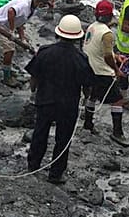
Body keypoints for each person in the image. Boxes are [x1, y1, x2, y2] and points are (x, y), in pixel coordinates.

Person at [25, 15, 91, 186]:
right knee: (63, 139)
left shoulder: (45, 52)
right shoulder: (81, 58)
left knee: (40, 133)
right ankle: (55, 174)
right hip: (68, 105)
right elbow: (87, 84)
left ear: (58, 33)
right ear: (77, 37)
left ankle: (33, 165)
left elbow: (34, 76)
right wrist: (86, 99)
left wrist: (33, 91)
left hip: (45, 100)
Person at [81, 1, 129, 145]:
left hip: (89, 68)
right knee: (118, 101)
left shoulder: (92, 27)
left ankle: (88, 124)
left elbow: (97, 48)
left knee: (92, 96)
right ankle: (117, 133)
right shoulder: (107, 34)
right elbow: (107, 55)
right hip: (102, 72)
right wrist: (117, 69)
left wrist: (116, 56)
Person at [0, 0, 50, 87]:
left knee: (19, 46)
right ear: (40, 3)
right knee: (9, 50)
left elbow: (20, 23)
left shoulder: (33, 9)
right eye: (43, 5)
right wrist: (12, 30)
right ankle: (6, 77)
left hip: (6, 25)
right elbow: (11, 11)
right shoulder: (24, 4)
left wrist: (22, 39)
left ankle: (8, 68)